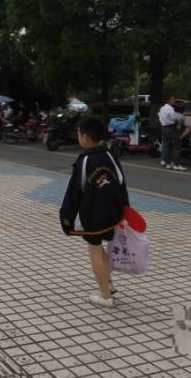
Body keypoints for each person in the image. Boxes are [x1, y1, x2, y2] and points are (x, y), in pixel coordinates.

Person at [60, 117, 129, 308]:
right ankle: (109, 284)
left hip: (93, 215)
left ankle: (106, 297)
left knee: (95, 249)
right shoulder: (110, 154)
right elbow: (121, 183)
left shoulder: (84, 161)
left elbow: (74, 193)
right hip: (113, 212)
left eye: (79, 133)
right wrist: (125, 209)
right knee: (100, 247)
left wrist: (66, 218)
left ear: (85, 137)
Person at [158, 94, 186, 171]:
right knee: (176, 147)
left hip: (163, 128)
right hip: (171, 128)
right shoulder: (171, 109)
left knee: (166, 146)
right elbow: (174, 118)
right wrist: (178, 120)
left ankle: (167, 163)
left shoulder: (162, 108)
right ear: (168, 100)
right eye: (173, 99)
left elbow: (159, 117)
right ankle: (176, 164)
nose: (174, 101)